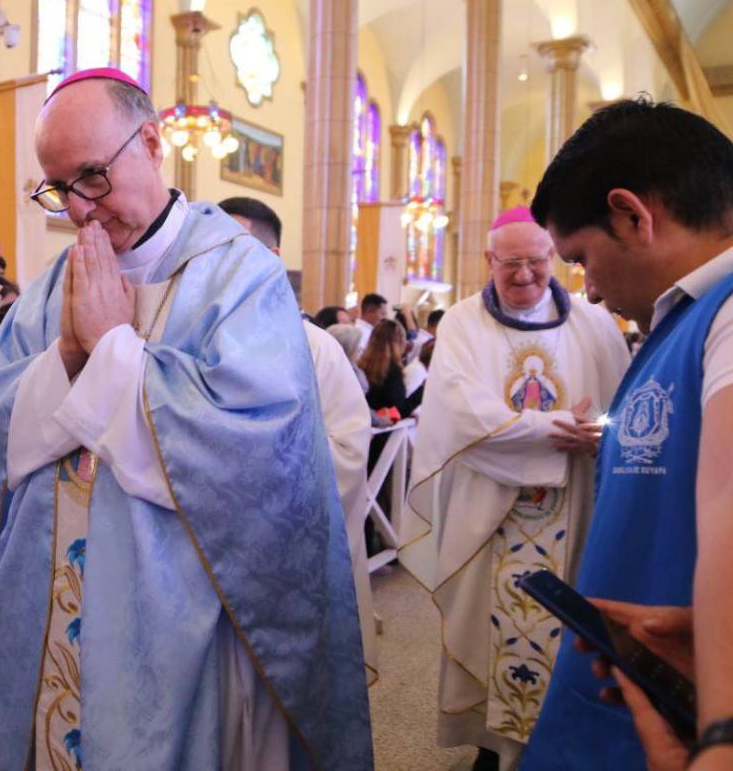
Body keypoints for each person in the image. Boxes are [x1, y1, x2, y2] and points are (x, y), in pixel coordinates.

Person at [0, 67, 371, 770]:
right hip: (56, 608)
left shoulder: (240, 276)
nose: (80, 210)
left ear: (150, 143)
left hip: (182, 622)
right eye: (58, 188)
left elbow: (256, 453)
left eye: (91, 177)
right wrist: (66, 352)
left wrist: (114, 350)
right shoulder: (57, 283)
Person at [517, 100, 733, 770]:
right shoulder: (687, 317)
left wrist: (723, 738)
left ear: (632, 215)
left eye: (581, 259)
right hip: (663, 684)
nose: (585, 291)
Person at [397, 207, 630, 770]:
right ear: (488, 261)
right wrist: (552, 429)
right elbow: (459, 411)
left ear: (554, 259)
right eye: (511, 264)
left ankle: (557, 743)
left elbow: (622, 405)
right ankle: (492, 747)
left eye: (535, 261)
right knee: (483, 627)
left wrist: (596, 433)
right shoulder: (462, 323)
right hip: (489, 512)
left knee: (568, 631)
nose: (524, 275)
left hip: (575, 503)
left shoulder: (595, 325)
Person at [219, 195, 377, 682]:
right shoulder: (187, 343)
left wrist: (250, 479)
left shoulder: (317, 349)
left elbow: (348, 453)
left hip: (288, 563)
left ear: (269, 256)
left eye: (228, 249)